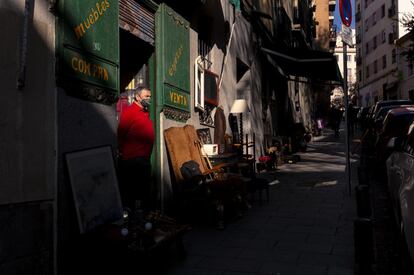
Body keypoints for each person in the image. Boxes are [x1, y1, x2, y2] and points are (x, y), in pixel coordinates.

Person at [117, 86, 154, 211]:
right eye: (146, 96)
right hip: (132, 159)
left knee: (143, 191)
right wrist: (123, 151)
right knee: (133, 191)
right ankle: (132, 218)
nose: (149, 99)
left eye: (150, 96)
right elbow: (121, 132)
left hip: (143, 157)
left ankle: (141, 217)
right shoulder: (130, 111)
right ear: (138, 97)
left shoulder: (144, 111)